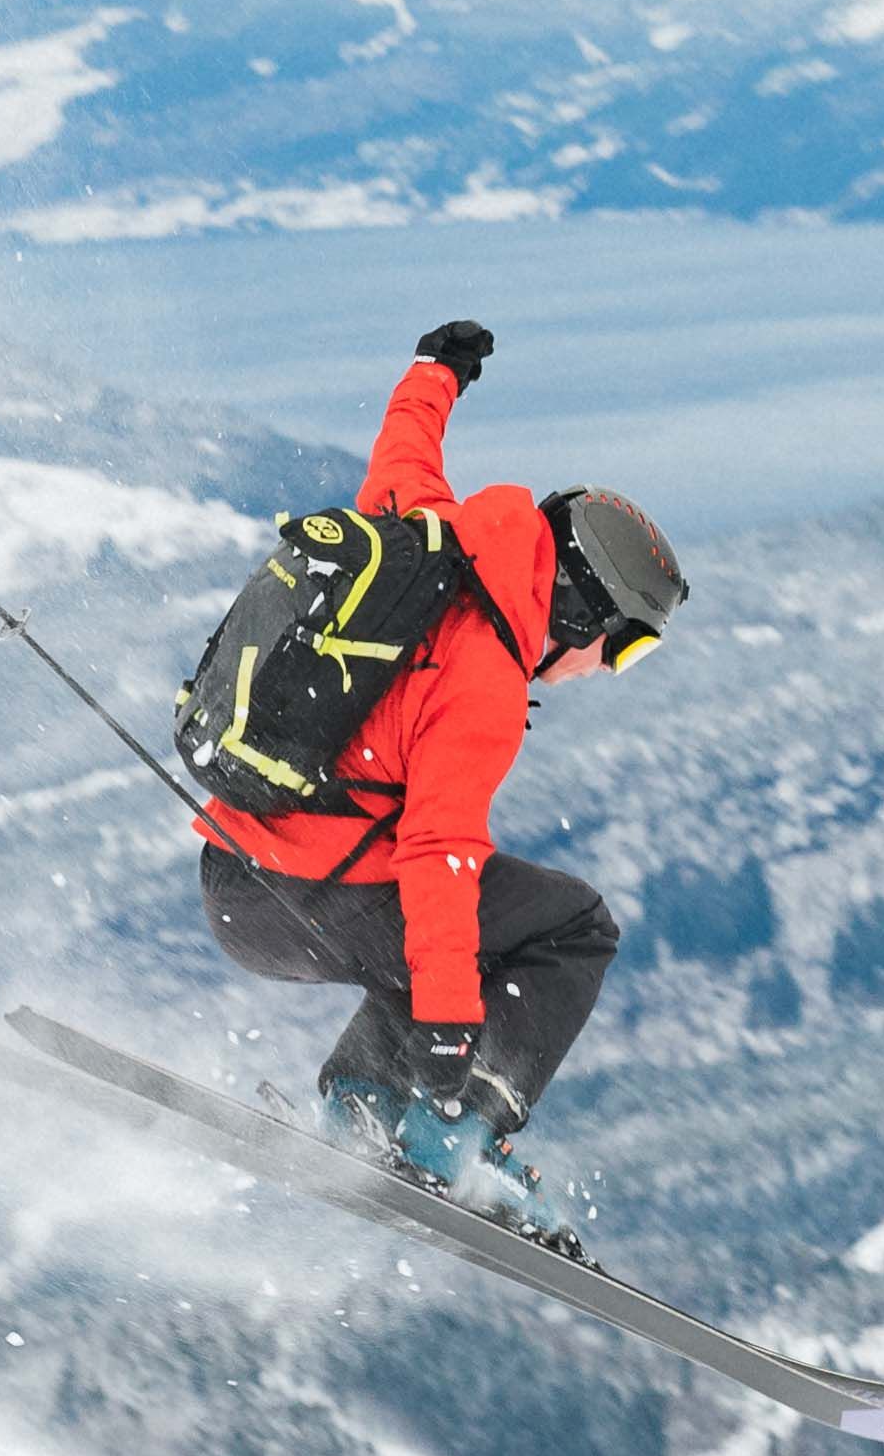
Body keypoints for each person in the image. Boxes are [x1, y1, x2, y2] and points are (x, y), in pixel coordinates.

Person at [190, 318, 688, 1225]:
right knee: (572, 928)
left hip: (236, 873)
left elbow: (406, 447)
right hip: (301, 897)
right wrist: (452, 1045)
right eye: (626, 649)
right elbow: (440, 855)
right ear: (581, 616)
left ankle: (363, 1103)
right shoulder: (486, 674)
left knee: (455, 937)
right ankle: (447, 1133)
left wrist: (437, 371)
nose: (607, 669)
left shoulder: (429, 535)